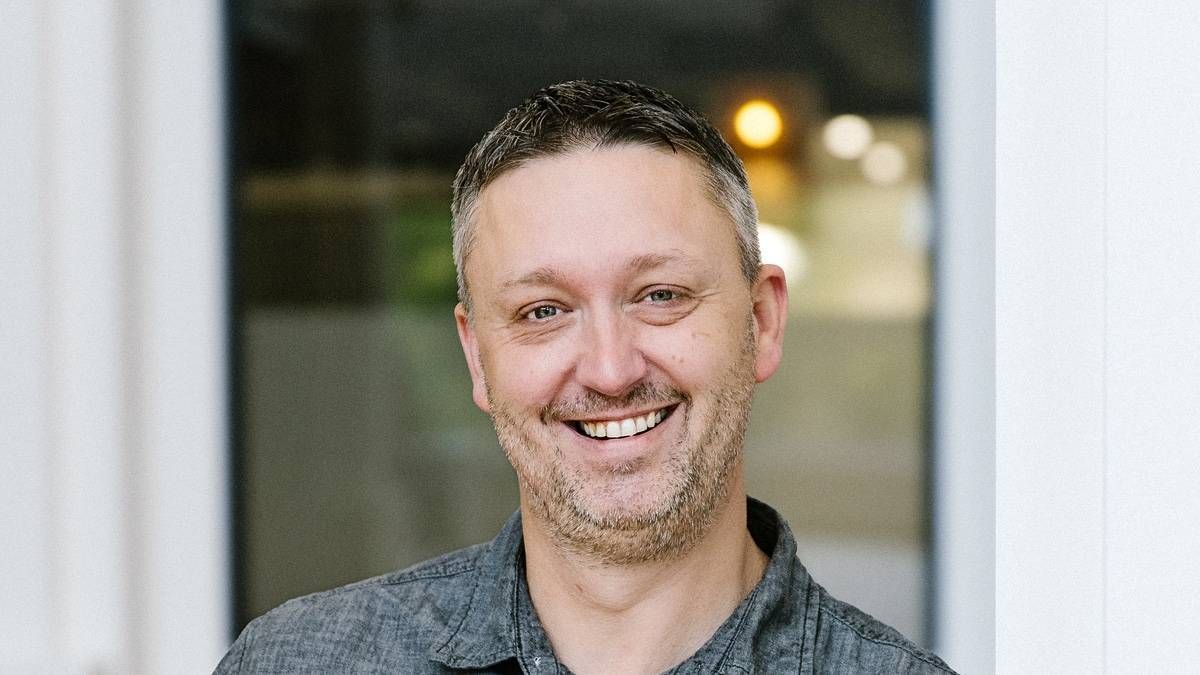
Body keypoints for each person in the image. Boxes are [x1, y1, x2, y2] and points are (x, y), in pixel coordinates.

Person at [215, 80, 955, 674]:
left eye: (660, 295)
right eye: (542, 310)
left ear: (761, 320)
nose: (609, 370)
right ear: (476, 357)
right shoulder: (300, 662)